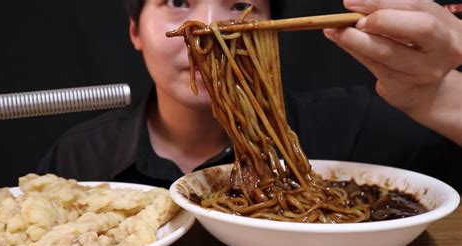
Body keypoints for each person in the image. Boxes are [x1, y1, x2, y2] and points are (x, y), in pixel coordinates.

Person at [37, 0, 462, 191]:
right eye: (178, 1)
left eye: (239, 4)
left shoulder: (357, 126)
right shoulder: (79, 158)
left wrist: (435, 96)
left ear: (273, 34)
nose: (209, 30)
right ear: (135, 31)